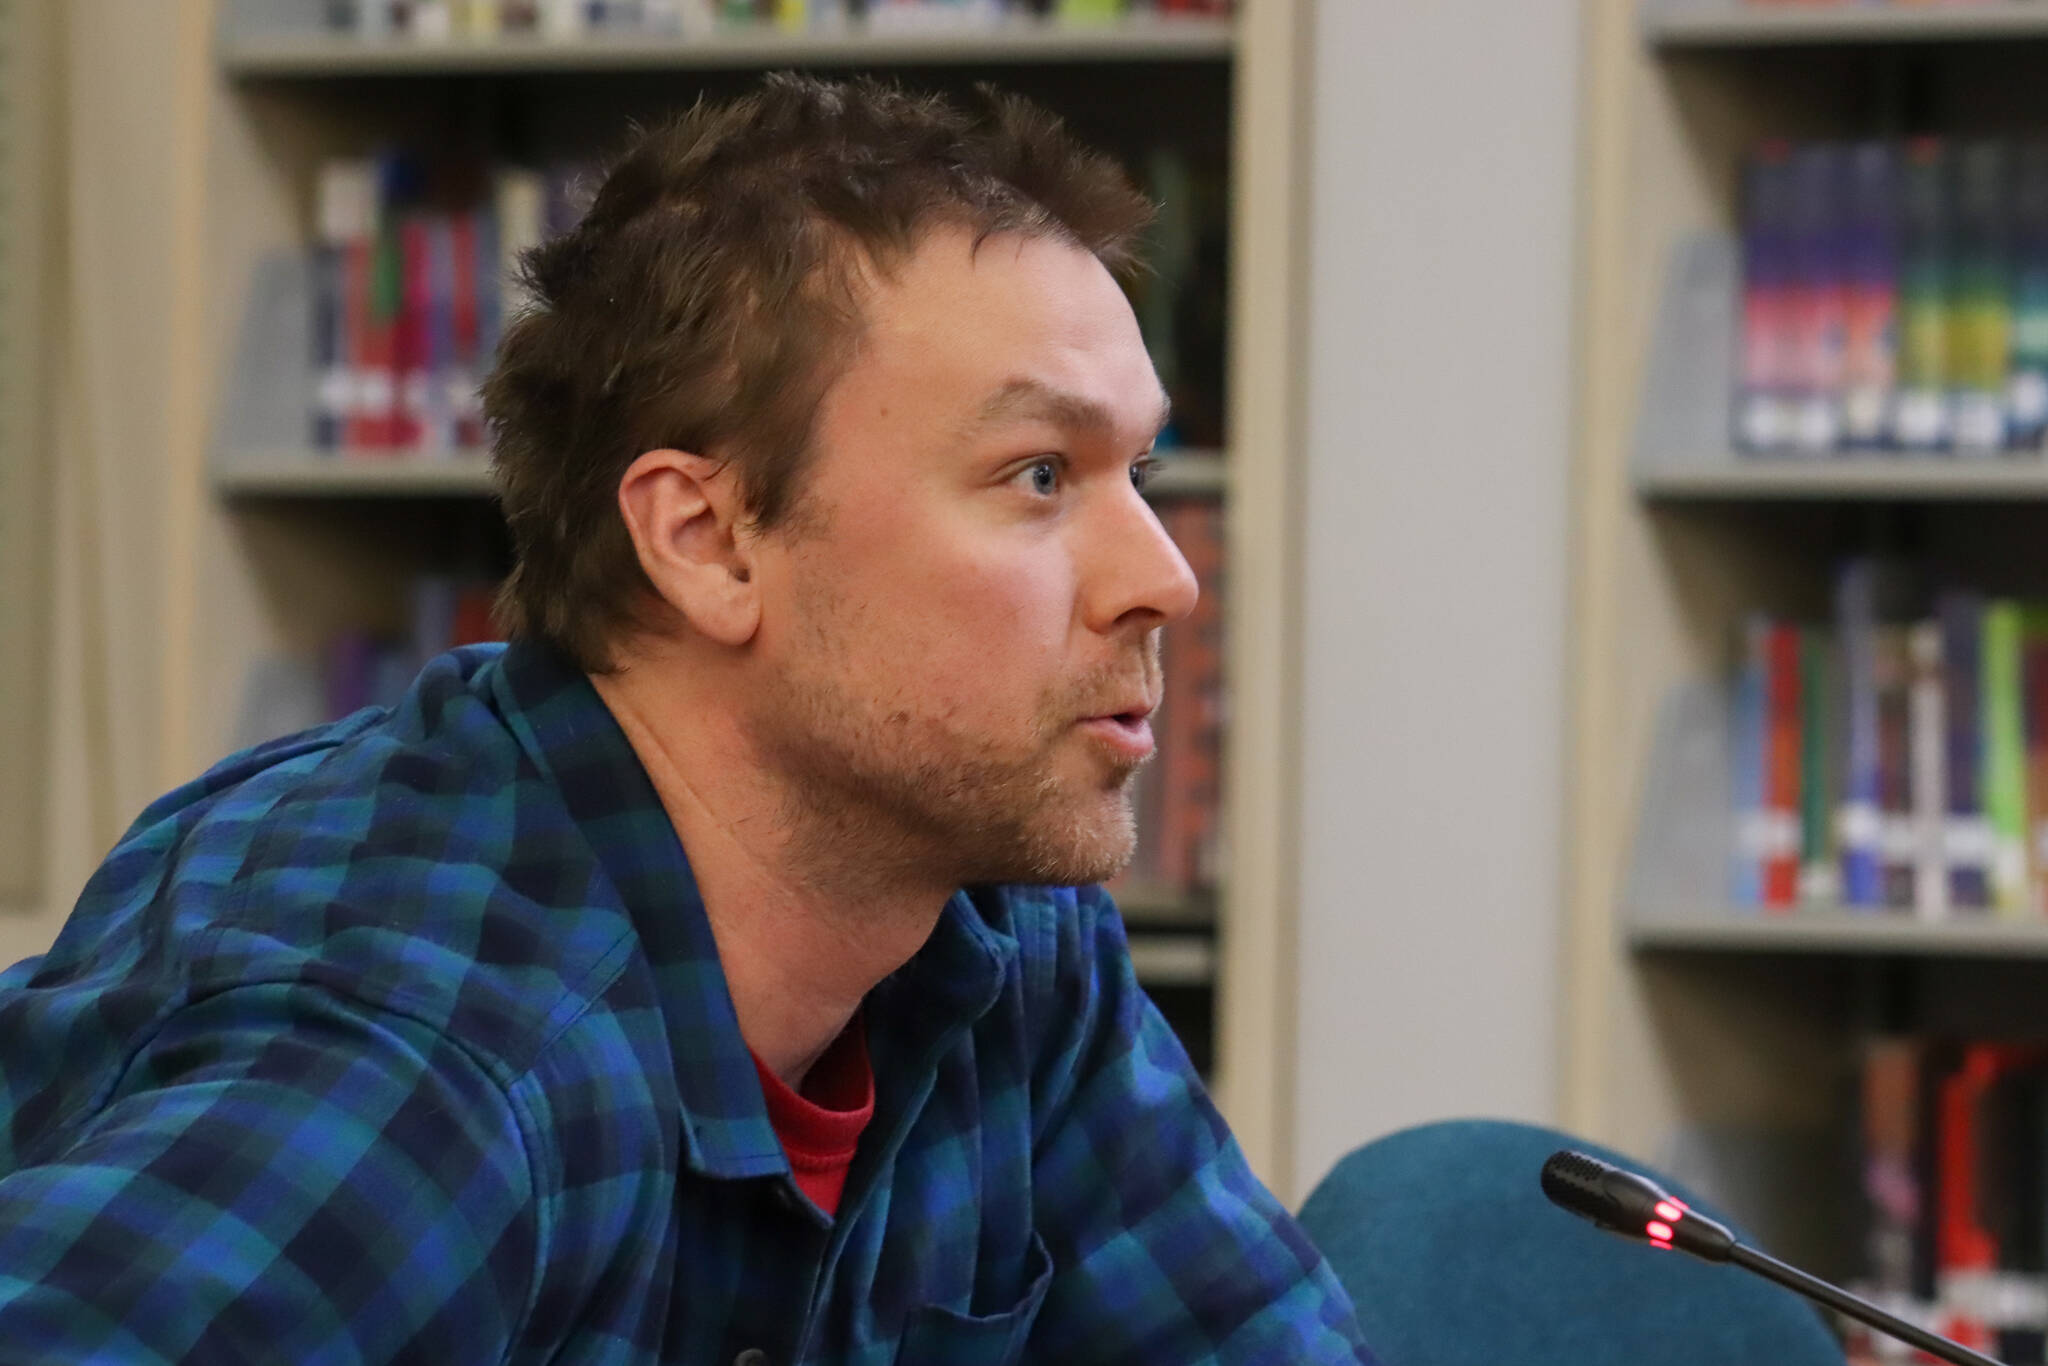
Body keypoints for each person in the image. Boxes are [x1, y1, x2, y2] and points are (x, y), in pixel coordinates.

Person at [0, 74, 1375, 1365]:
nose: (1168, 577)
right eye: (1036, 474)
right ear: (708, 540)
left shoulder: (992, 925)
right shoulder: (429, 1058)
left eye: (1140, 469)